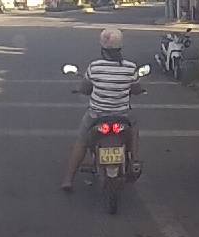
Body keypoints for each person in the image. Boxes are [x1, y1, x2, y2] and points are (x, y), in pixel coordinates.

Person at [60, 27, 144, 192]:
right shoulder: (130, 67)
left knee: (82, 141)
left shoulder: (95, 67)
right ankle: (134, 161)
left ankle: (68, 179)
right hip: (122, 116)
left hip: (96, 115)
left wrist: (81, 89)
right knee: (133, 130)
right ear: (120, 47)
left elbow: (86, 88)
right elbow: (136, 89)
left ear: (102, 48)